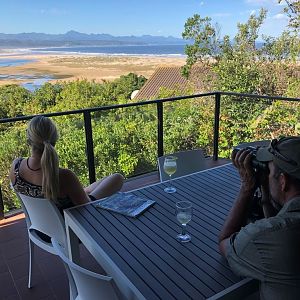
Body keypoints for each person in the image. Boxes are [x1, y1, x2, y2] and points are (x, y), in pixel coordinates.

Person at [219, 137, 300, 300]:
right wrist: (266, 190)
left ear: (283, 181)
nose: (266, 175)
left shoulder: (264, 237)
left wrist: (246, 188)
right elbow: (279, 221)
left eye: (268, 171)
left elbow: (225, 243)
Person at [10, 115, 124, 213]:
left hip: (41, 229)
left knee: (91, 188)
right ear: (55, 140)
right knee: (117, 178)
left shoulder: (16, 167)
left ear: (28, 141)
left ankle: (84, 191)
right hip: (72, 225)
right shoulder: (63, 176)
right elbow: (86, 206)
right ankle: (84, 192)